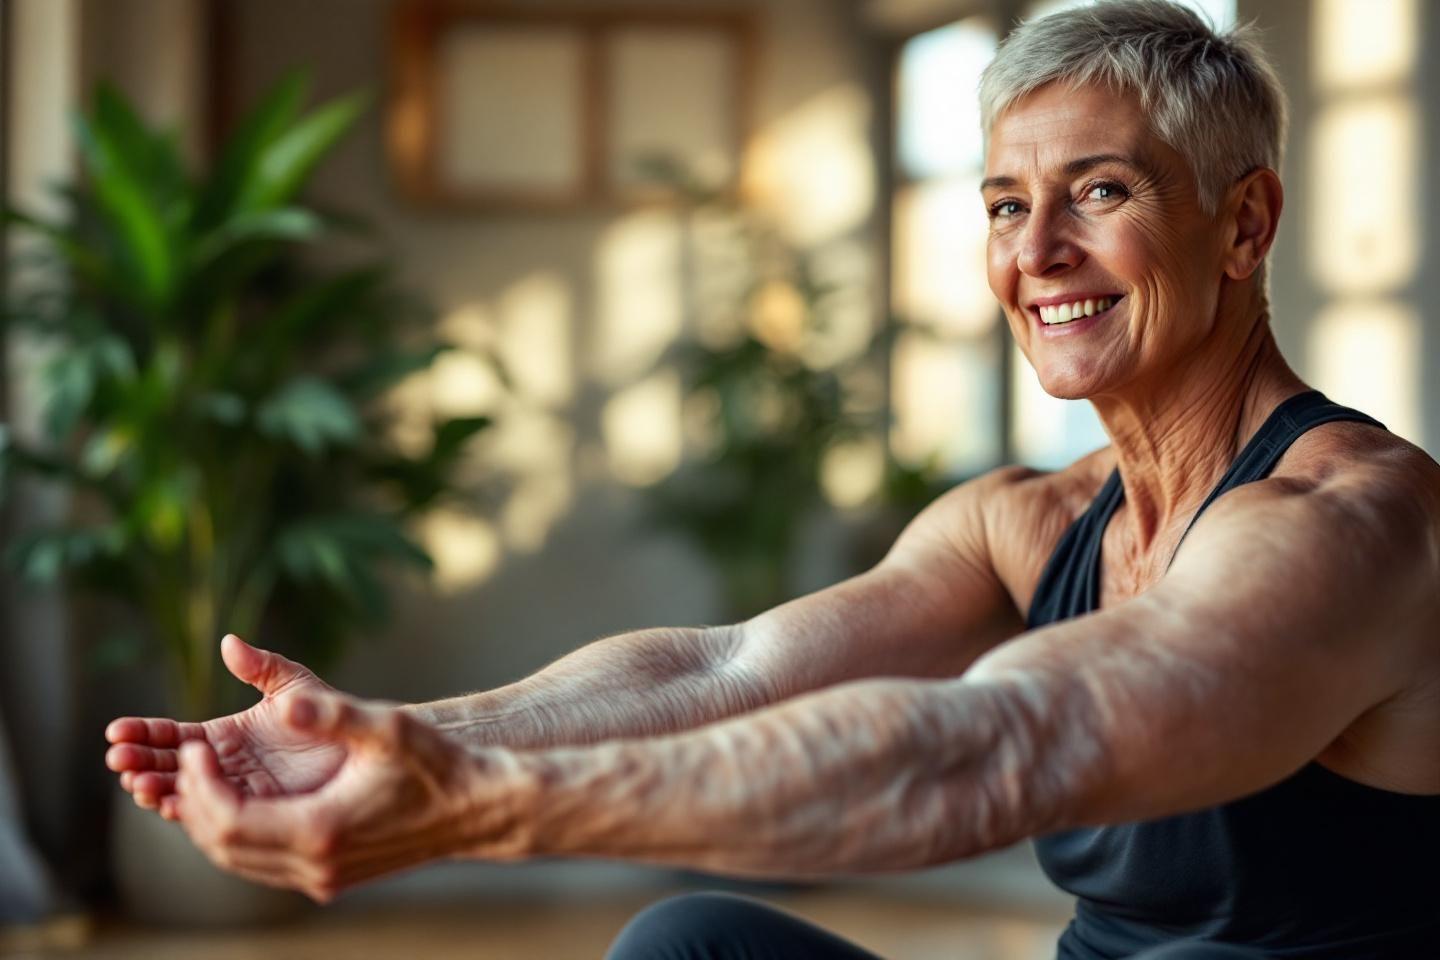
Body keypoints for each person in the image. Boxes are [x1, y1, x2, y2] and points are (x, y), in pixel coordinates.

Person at [105, 1, 1440, 957]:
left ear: (1246, 222)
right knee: (689, 944)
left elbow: (1011, 747)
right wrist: (404, 737)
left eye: (1098, 192)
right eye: (1001, 204)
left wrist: (482, 813)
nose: (1036, 251)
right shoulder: (1033, 520)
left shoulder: (1346, 527)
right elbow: (723, 670)